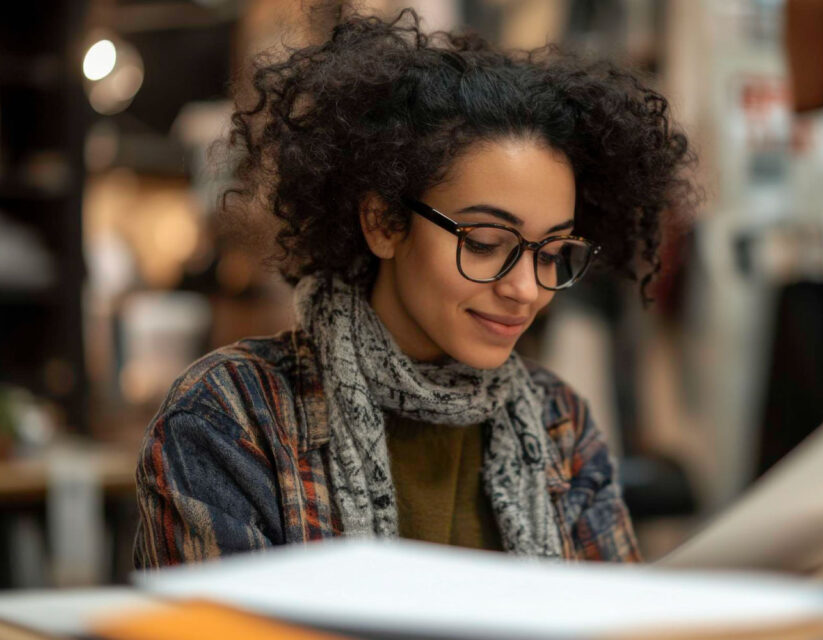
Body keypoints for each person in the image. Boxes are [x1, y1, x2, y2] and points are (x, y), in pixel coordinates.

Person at [133, 6, 696, 568]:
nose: (526, 289)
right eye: (484, 241)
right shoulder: (233, 417)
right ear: (383, 222)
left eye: (552, 253)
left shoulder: (559, 424)